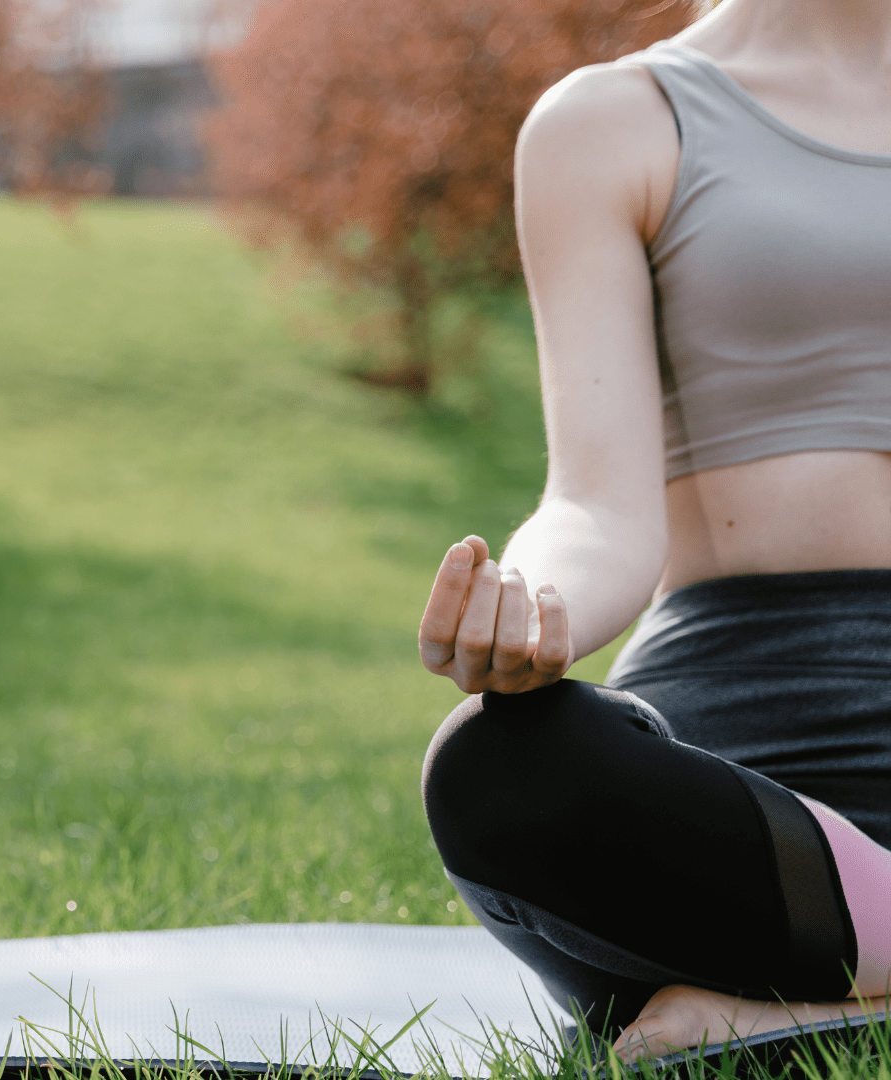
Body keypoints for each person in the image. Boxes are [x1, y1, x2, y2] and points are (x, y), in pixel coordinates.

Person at [412, 0, 891, 1062]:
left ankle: (828, 1006)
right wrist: (531, 609)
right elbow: (597, 503)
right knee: (498, 769)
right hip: (748, 805)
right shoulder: (613, 124)